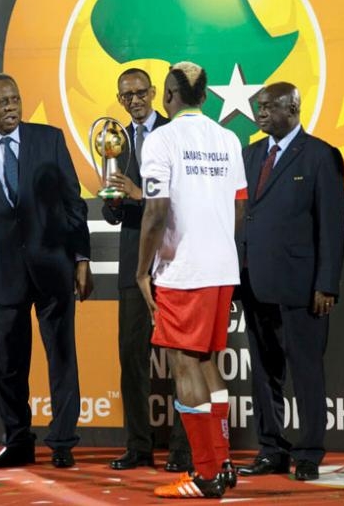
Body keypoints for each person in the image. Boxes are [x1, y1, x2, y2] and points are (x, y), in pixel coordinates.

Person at [0, 73, 93, 469]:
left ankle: (63, 441)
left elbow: (73, 203)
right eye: (2, 102)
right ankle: (18, 441)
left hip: (53, 269)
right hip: (2, 275)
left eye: (15, 99)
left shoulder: (49, 139)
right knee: (8, 363)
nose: (11, 107)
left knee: (61, 357)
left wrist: (81, 257)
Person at [137, 61, 247, 499]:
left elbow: (155, 211)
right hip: (223, 266)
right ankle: (222, 464)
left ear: (169, 95)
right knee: (207, 363)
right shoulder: (228, 138)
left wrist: (143, 270)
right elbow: (240, 209)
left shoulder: (162, 139)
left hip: (185, 270)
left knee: (185, 365)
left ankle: (205, 475)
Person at [236, 82, 344, 482]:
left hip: (303, 286)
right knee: (264, 372)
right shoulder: (249, 155)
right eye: (258, 107)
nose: (260, 113)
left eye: (267, 107)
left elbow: (332, 228)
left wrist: (327, 284)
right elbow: (244, 217)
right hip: (254, 281)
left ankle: (310, 452)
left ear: (293, 108)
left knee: (306, 370)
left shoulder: (321, 156)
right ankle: (272, 449)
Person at [102, 68, 191, 472]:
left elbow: (183, 201)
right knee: (132, 359)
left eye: (140, 92)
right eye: (126, 95)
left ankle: (181, 450)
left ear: (154, 92)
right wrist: (117, 201)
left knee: (180, 360)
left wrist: (140, 195)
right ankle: (138, 447)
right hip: (132, 266)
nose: (134, 100)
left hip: (173, 261)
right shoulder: (113, 140)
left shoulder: (177, 134)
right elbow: (111, 211)